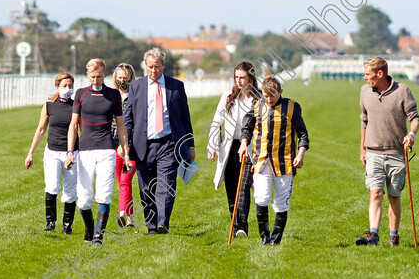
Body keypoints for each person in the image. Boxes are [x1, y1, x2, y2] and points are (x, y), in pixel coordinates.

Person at [123, 47, 195, 235]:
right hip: (143, 145)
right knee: (146, 188)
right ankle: (152, 225)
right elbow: (128, 119)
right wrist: (124, 146)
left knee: (166, 184)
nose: (153, 70)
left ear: (163, 65)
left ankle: (163, 222)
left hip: (169, 144)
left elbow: (185, 118)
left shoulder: (176, 86)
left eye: (156, 66)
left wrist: (190, 145)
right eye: (150, 67)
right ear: (145, 66)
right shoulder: (136, 87)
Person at [65, 59, 132, 244]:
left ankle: (98, 236)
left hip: (107, 150)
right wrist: (70, 151)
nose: (95, 80)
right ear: (87, 75)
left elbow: (121, 126)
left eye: (99, 76)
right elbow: (73, 125)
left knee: (104, 194)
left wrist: (126, 155)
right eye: (92, 77)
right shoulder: (80, 94)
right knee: (84, 201)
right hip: (84, 151)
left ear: (105, 74)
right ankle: (89, 227)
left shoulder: (113, 95)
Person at [356, 57, 419, 247]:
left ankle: (394, 235)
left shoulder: (402, 91)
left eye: (368, 74)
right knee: (375, 193)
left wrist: (411, 134)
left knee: (393, 195)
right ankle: (373, 235)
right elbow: (364, 120)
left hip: (397, 153)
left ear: (380, 74)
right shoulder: (364, 91)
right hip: (373, 152)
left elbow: (414, 118)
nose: (365, 77)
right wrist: (362, 149)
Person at [238, 76, 308, 245]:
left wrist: (300, 154)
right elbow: (246, 128)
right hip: (261, 161)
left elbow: (303, 133)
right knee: (261, 198)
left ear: (281, 92)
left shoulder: (292, 107)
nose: (269, 99)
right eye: (265, 95)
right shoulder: (257, 106)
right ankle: (265, 237)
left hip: (285, 162)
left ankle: (276, 240)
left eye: (272, 96)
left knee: (281, 203)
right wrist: (243, 143)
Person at [207, 61, 259, 238]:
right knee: (231, 187)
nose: (238, 81)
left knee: (243, 186)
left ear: (251, 78)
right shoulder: (228, 96)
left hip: (249, 147)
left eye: (242, 77)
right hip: (229, 147)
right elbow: (216, 122)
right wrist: (212, 147)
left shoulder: (258, 99)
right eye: (236, 77)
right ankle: (235, 224)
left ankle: (241, 226)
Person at [25, 73, 78, 234]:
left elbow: (80, 128)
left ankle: (67, 225)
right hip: (52, 152)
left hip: (72, 153)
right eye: (64, 86)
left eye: (70, 86)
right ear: (57, 87)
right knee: (52, 185)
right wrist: (31, 153)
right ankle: (51, 222)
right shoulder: (49, 106)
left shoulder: (77, 106)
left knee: (70, 190)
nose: (68, 89)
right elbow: (41, 129)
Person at [111, 63, 137, 228]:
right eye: (119, 78)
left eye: (125, 78)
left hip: (132, 147)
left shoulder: (136, 97)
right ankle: (130, 218)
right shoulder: (111, 96)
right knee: (122, 183)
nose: (122, 81)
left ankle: (122, 214)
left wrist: (126, 145)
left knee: (126, 181)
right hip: (112, 145)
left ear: (131, 79)